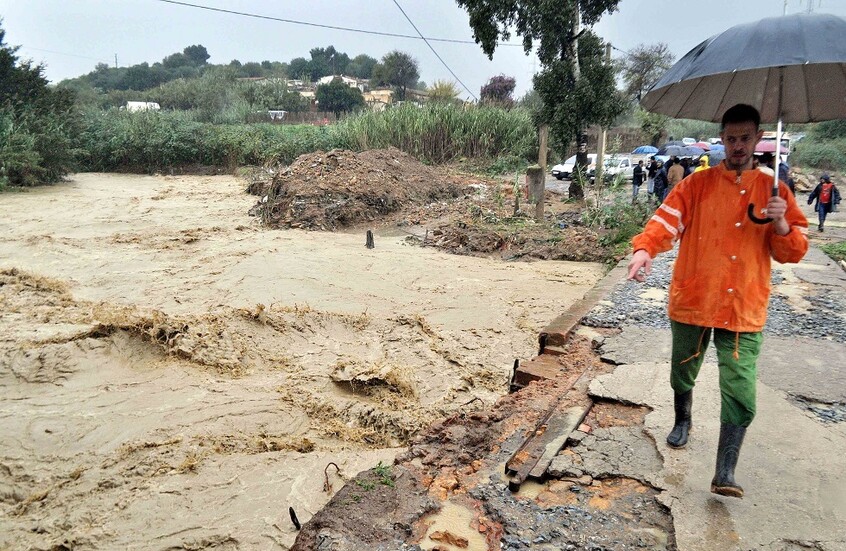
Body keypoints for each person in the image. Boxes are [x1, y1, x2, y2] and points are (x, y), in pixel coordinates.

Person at [626, 104, 809, 499]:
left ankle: (725, 471)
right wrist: (644, 250)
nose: (738, 145)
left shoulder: (775, 191)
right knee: (682, 369)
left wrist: (779, 223)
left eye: (745, 138)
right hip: (695, 296)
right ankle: (683, 418)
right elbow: (665, 221)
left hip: (743, 305)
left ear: (758, 138)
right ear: (722, 139)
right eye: (731, 138)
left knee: (740, 388)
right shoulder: (696, 185)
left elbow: (793, 251)